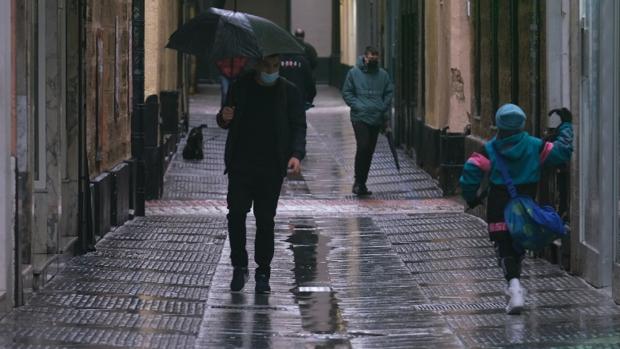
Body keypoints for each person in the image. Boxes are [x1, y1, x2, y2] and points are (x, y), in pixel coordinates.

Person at [459, 104, 573, 315]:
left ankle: (514, 286)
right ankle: (515, 286)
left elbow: (471, 170)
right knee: (517, 245)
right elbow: (561, 153)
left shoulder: (489, 149)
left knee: (504, 247)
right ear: (522, 124)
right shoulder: (535, 146)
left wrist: (471, 196)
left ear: (498, 126)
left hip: (498, 206)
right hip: (525, 208)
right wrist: (566, 125)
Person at [217, 54, 307, 294]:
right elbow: (224, 117)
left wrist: (296, 154)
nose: (271, 70)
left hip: (271, 167)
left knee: (265, 220)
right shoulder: (240, 87)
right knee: (236, 215)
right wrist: (224, 118)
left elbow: (299, 125)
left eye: (276, 66)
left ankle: (263, 272)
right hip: (240, 164)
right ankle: (239, 265)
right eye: (267, 66)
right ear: (257, 66)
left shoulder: (289, 91)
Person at [341, 46, 394, 196]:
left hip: (376, 117)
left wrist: (382, 108)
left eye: (376, 58)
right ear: (364, 57)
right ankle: (358, 182)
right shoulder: (354, 73)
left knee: (369, 151)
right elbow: (347, 92)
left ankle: (362, 183)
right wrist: (358, 106)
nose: (373, 60)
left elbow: (388, 92)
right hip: (360, 117)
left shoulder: (383, 75)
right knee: (363, 146)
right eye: (371, 57)